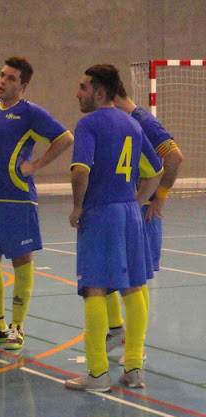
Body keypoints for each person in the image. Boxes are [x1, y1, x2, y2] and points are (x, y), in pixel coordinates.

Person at [65, 64, 162, 392]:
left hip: (101, 213)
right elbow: (155, 171)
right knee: (133, 287)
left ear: (100, 92)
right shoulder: (132, 123)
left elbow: (80, 170)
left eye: (83, 87)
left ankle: (97, 373)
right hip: (129, 213)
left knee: (94, 288)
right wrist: (135, 202)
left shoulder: (88, 124)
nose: (78, 93)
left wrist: (77, 206)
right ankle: (134, 367)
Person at [0, 56, 73, 350]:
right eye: (2, 75)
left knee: (21, 263)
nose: (3, 81)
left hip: (18, 201)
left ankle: (17, 327)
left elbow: (65, 138)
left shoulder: (31, 113)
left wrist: (35, 165)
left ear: (23, 85)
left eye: (11, 78)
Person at [105, 85, 184, 363]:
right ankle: (117, 330)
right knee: (110, 273)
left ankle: (136, 346)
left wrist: (158, 197)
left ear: (112, 97)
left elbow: (174, 157)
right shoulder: (124, 122)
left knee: (137, 280)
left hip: (143, 212)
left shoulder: (143, 121)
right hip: (125, 210)